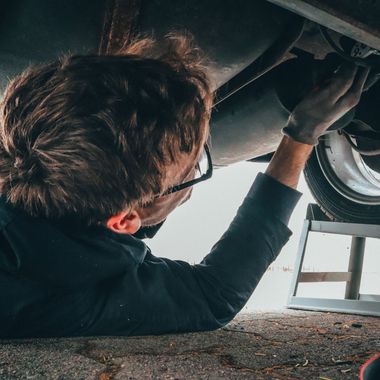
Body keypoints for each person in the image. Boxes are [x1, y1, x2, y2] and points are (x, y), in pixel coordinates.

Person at [0, 35, 369, 338]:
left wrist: (301, 134)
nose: (193, 180)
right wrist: (299, 136)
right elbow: (214, 295)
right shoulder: (69, 299)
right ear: (125, 219)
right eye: (193, 169)